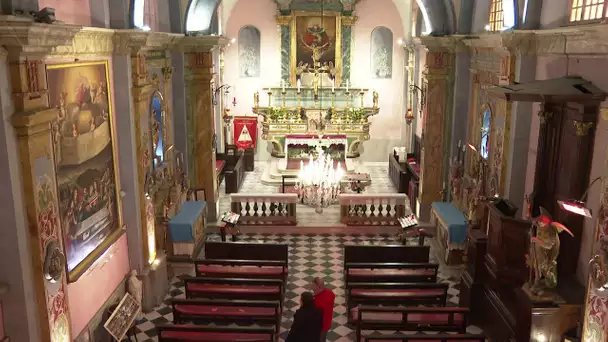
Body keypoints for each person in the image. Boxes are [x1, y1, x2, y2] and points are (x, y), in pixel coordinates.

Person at [312, 277, 335, 341]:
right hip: (327, 323)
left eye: (314, 287)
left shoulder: (317, 301)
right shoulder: (330, 293)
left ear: (319, 287)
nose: (312, 288)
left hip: (320, 325)